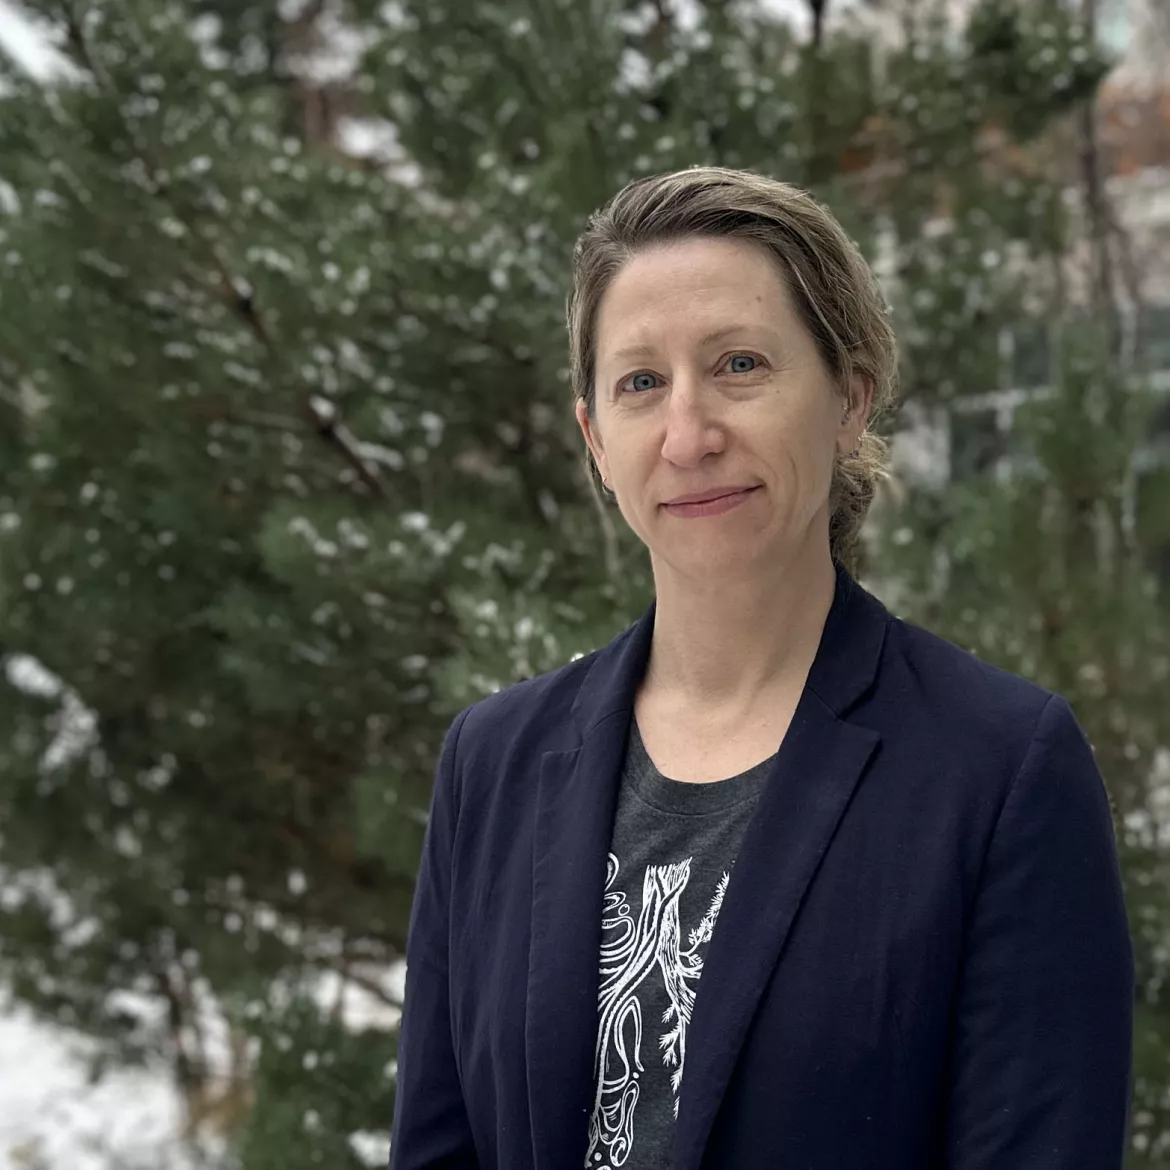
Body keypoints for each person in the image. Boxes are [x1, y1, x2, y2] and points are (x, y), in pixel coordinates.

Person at [388, 167, 1134, 1170]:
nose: (690, 435)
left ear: (848, 398)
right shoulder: (495, 762)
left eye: (739, 363)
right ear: (596, 440)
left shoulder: (999, 772)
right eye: (641, 382)